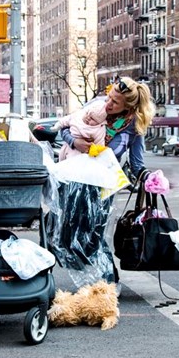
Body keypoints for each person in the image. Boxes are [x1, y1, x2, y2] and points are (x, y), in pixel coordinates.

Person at [50, 76, 154, 287]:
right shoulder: (96, 106)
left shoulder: (134, 126)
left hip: (102, 186)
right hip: (73, 179)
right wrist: (75, 142)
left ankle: (106, 283)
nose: (109, 104)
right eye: (109, 97)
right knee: (64, 232)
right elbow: (66, 126)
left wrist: (149, 178)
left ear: (129, 107)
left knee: (94, 234)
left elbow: (136, 164)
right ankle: (51, 281)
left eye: (115, 102)